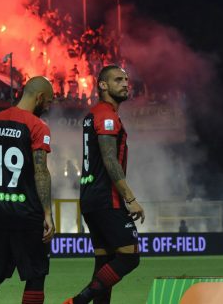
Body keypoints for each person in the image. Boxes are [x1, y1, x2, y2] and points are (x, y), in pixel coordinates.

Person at [0, 76, 55, 304]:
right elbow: (41, 172)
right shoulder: (38, 126)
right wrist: (47, 213)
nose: (48, 107)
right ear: (39, 97)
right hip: (27, 213)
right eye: (48, 102)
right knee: (36, 275)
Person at [65, 65, 145, 304]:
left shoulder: (93, 115)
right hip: (106, 198)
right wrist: (130, 198)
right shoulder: (106, 116)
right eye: (118, 80)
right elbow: (110, 159)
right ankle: (78, 302)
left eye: (126, 80)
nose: (124, 83)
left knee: (105, 263)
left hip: (90, 197)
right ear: (102, 85)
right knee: (130, 257)